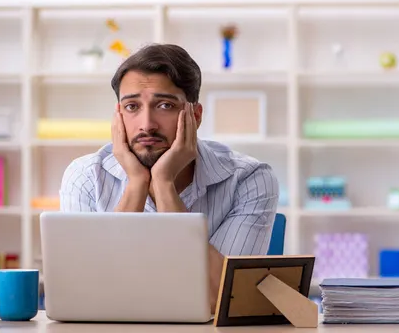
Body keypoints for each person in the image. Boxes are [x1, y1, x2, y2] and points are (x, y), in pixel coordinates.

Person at [59, 43, 279, 312]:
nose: (147, 124)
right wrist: (137, 184)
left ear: (195, 116)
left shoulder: (249, 179)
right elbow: (84, 295)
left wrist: (163, 185)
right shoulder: (84, 177)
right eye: (132, 107)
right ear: (117, 116)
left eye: (164, 105)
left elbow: (223, 299)